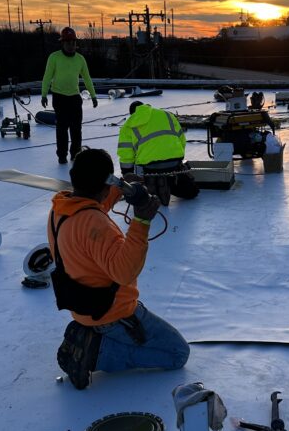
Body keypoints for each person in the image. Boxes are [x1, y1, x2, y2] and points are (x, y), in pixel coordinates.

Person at [48, 148, 190, 389]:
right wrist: (141, 221)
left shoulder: (61, 208)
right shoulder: (97, 225)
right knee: (178, 354)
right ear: (105, 184)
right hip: (113, 314)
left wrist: (119, 189)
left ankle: (91, 337)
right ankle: (96, 353)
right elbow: (124, 273)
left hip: (82, 307)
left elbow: (92, 209)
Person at [117, 101, 199, 205]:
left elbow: (126, 155)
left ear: (132, 113)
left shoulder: (128, 125)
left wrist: (127, 175)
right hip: (174, 163)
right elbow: (182, 140)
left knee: (148, 191)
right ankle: (172, 183)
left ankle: (160, 185)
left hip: (150, 168)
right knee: (191, 192)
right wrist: (175, 156)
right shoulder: (167, 115)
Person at [41, 27, 98, 164]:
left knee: (76, 128)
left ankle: (76, 154)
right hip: (59, 97)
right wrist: (44, 94)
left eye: (73, 42)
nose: (71, 45)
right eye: (68, 42)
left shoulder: (80, 59)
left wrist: (93, 95)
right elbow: (47, 77)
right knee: (62, 128)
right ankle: (62, 155)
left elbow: (87, 78)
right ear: (62, 43)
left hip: (74, 98)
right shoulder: (54, 57)